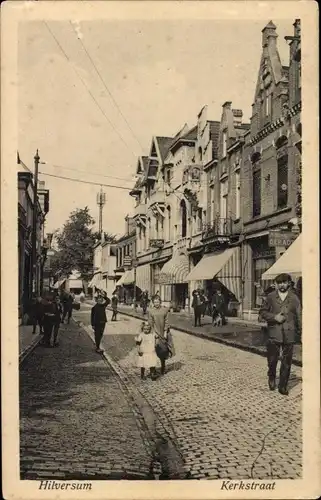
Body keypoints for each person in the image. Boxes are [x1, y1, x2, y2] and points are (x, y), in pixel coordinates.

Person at [259, 273, 301, 396]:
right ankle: (271, 376)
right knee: (272, 360)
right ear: (276, 285)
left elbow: (299, 316)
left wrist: (301, 332)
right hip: (274, 333)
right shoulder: (271, 297)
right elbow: (262, 312)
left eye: (284, 282)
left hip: (289, 334)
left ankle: (283, 386)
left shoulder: (294, 298)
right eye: (279, 283)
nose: (282, 285)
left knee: (287, 362)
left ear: (289, 283)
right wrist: (274, 317)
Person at [148, 294, 175, 376]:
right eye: (155, 302)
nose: (156, 303)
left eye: (158, 302)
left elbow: (167, 321)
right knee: (151, 351)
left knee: (163, 351)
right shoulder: (151, 311)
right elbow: (150, 323)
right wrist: (153, 333)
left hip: (163, 332)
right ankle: (152, 370)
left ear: (160, 302)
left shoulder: (165, 310)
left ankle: (163, 367)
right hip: (155, 333)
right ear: (153, 303)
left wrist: (165, 331)